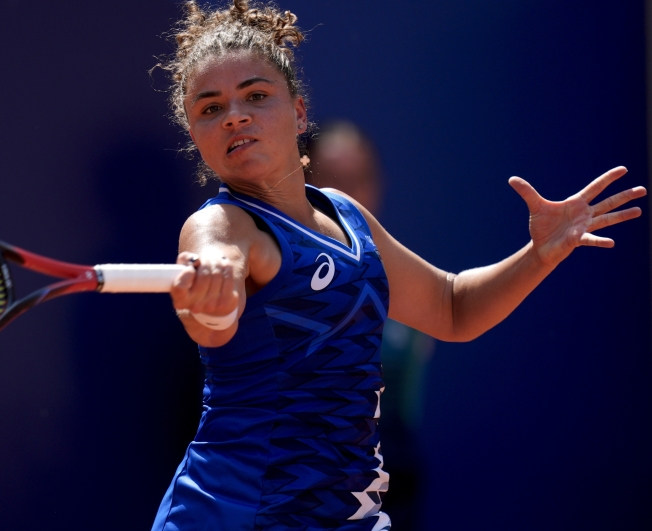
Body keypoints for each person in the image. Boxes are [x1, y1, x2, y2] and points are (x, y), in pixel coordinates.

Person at [155, 1, 646, 530]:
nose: (234, 115)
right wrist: (211, 290)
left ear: (299, 112)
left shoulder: (348, 216)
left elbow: (452, 307)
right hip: (233, 517)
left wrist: (540, 255)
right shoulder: (220, 226)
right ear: (194, 133)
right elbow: (213, 277)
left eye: (255, 95)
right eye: (210, 108)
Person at [307, 121, 434, 529]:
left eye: (358, 180)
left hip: (394, 493)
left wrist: (541, 253)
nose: (347, 197)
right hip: (301, 497)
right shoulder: (272, 277)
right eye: (332, 181)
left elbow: (455, 305)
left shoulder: (407, 280)